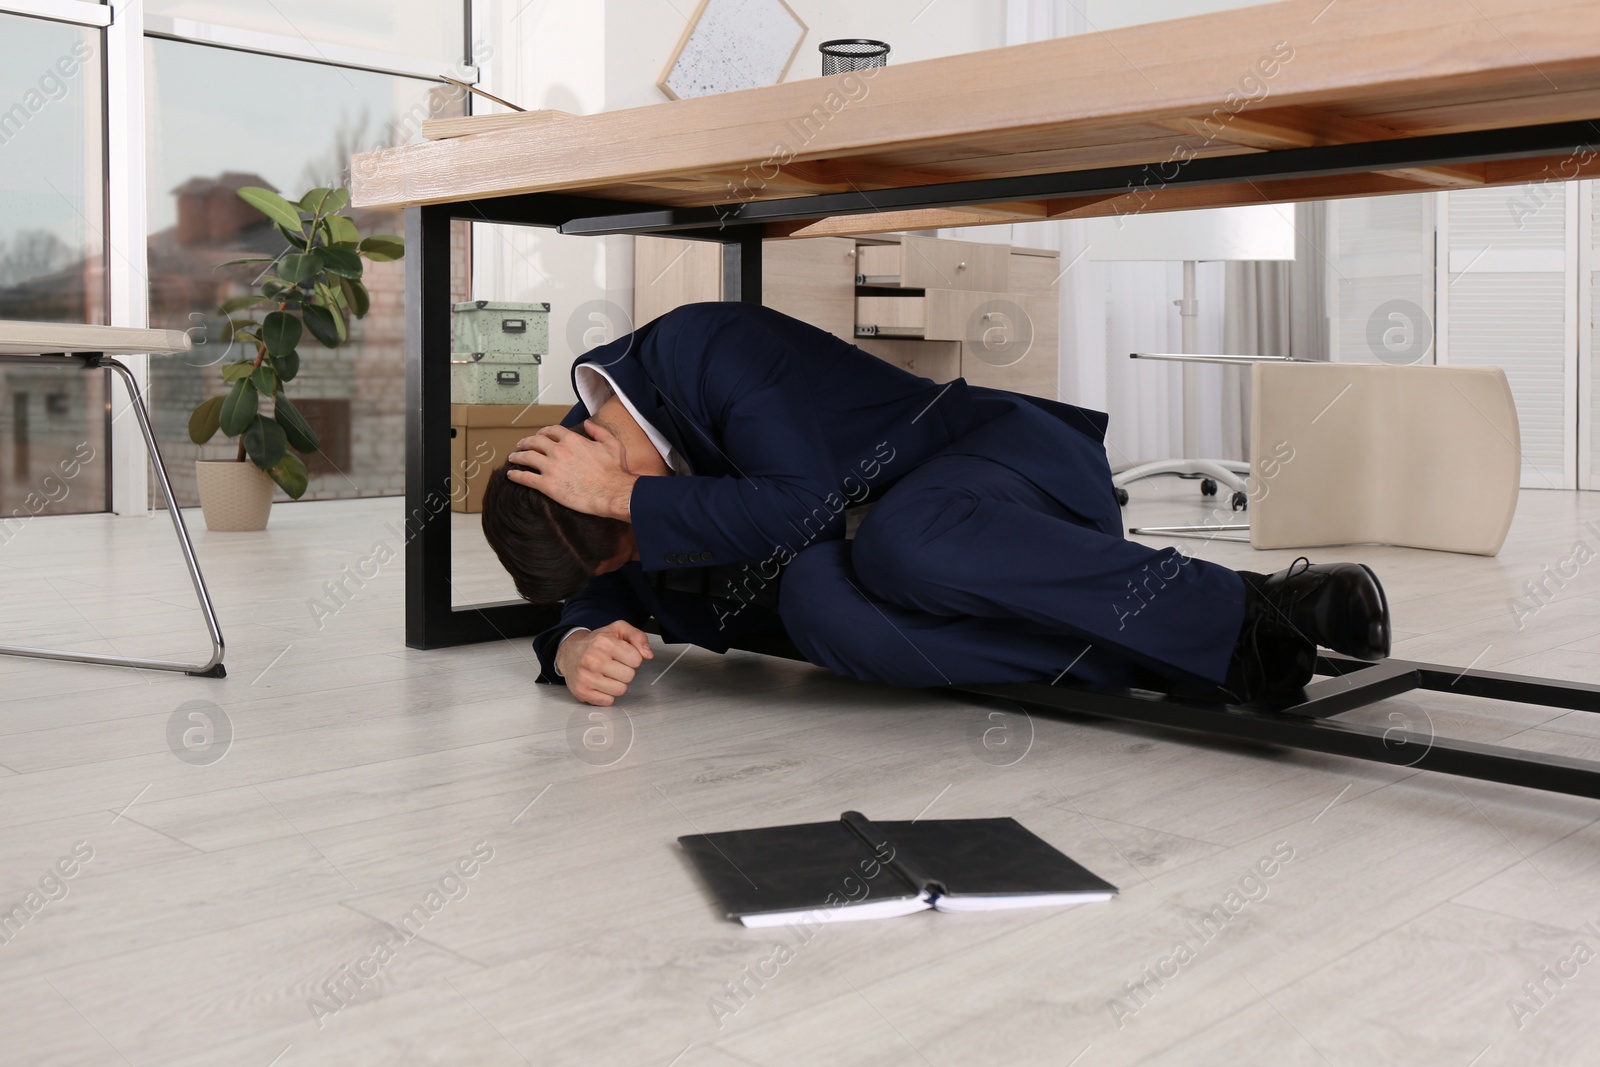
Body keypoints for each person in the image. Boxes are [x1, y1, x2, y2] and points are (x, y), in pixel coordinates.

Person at [481, 302, 1390, 708]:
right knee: (817, 601)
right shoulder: (598, 509)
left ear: (596, 466)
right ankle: (1150, 646)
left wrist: (630, 499)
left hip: (1002, 475)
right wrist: (574, 642)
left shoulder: (700, 348)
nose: (645, 567)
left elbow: (801, 507)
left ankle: (1250, 612)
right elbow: (593, 582)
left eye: (633, 542)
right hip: (926, 582)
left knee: (900, 540)